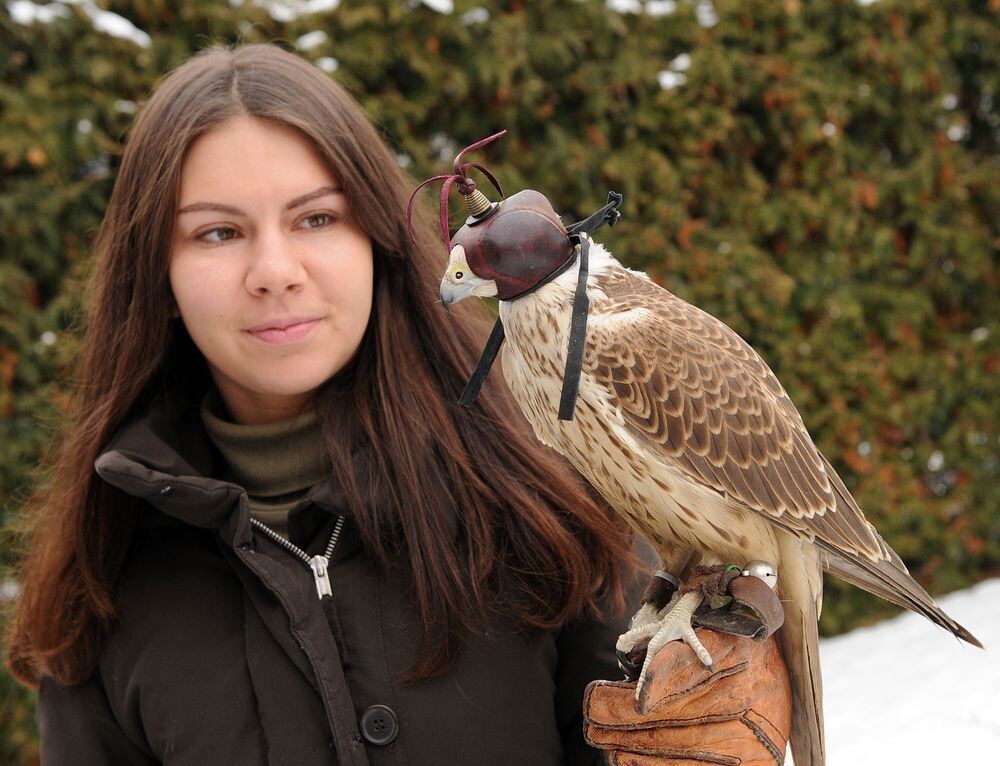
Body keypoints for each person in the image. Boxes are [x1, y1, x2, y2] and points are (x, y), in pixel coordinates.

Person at [6, 43, 789, 765]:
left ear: (378, 241)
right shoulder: (98, 584)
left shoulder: (547, 493)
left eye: (317, 218)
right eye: (217, 233)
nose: (275, 270)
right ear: (158, 275)